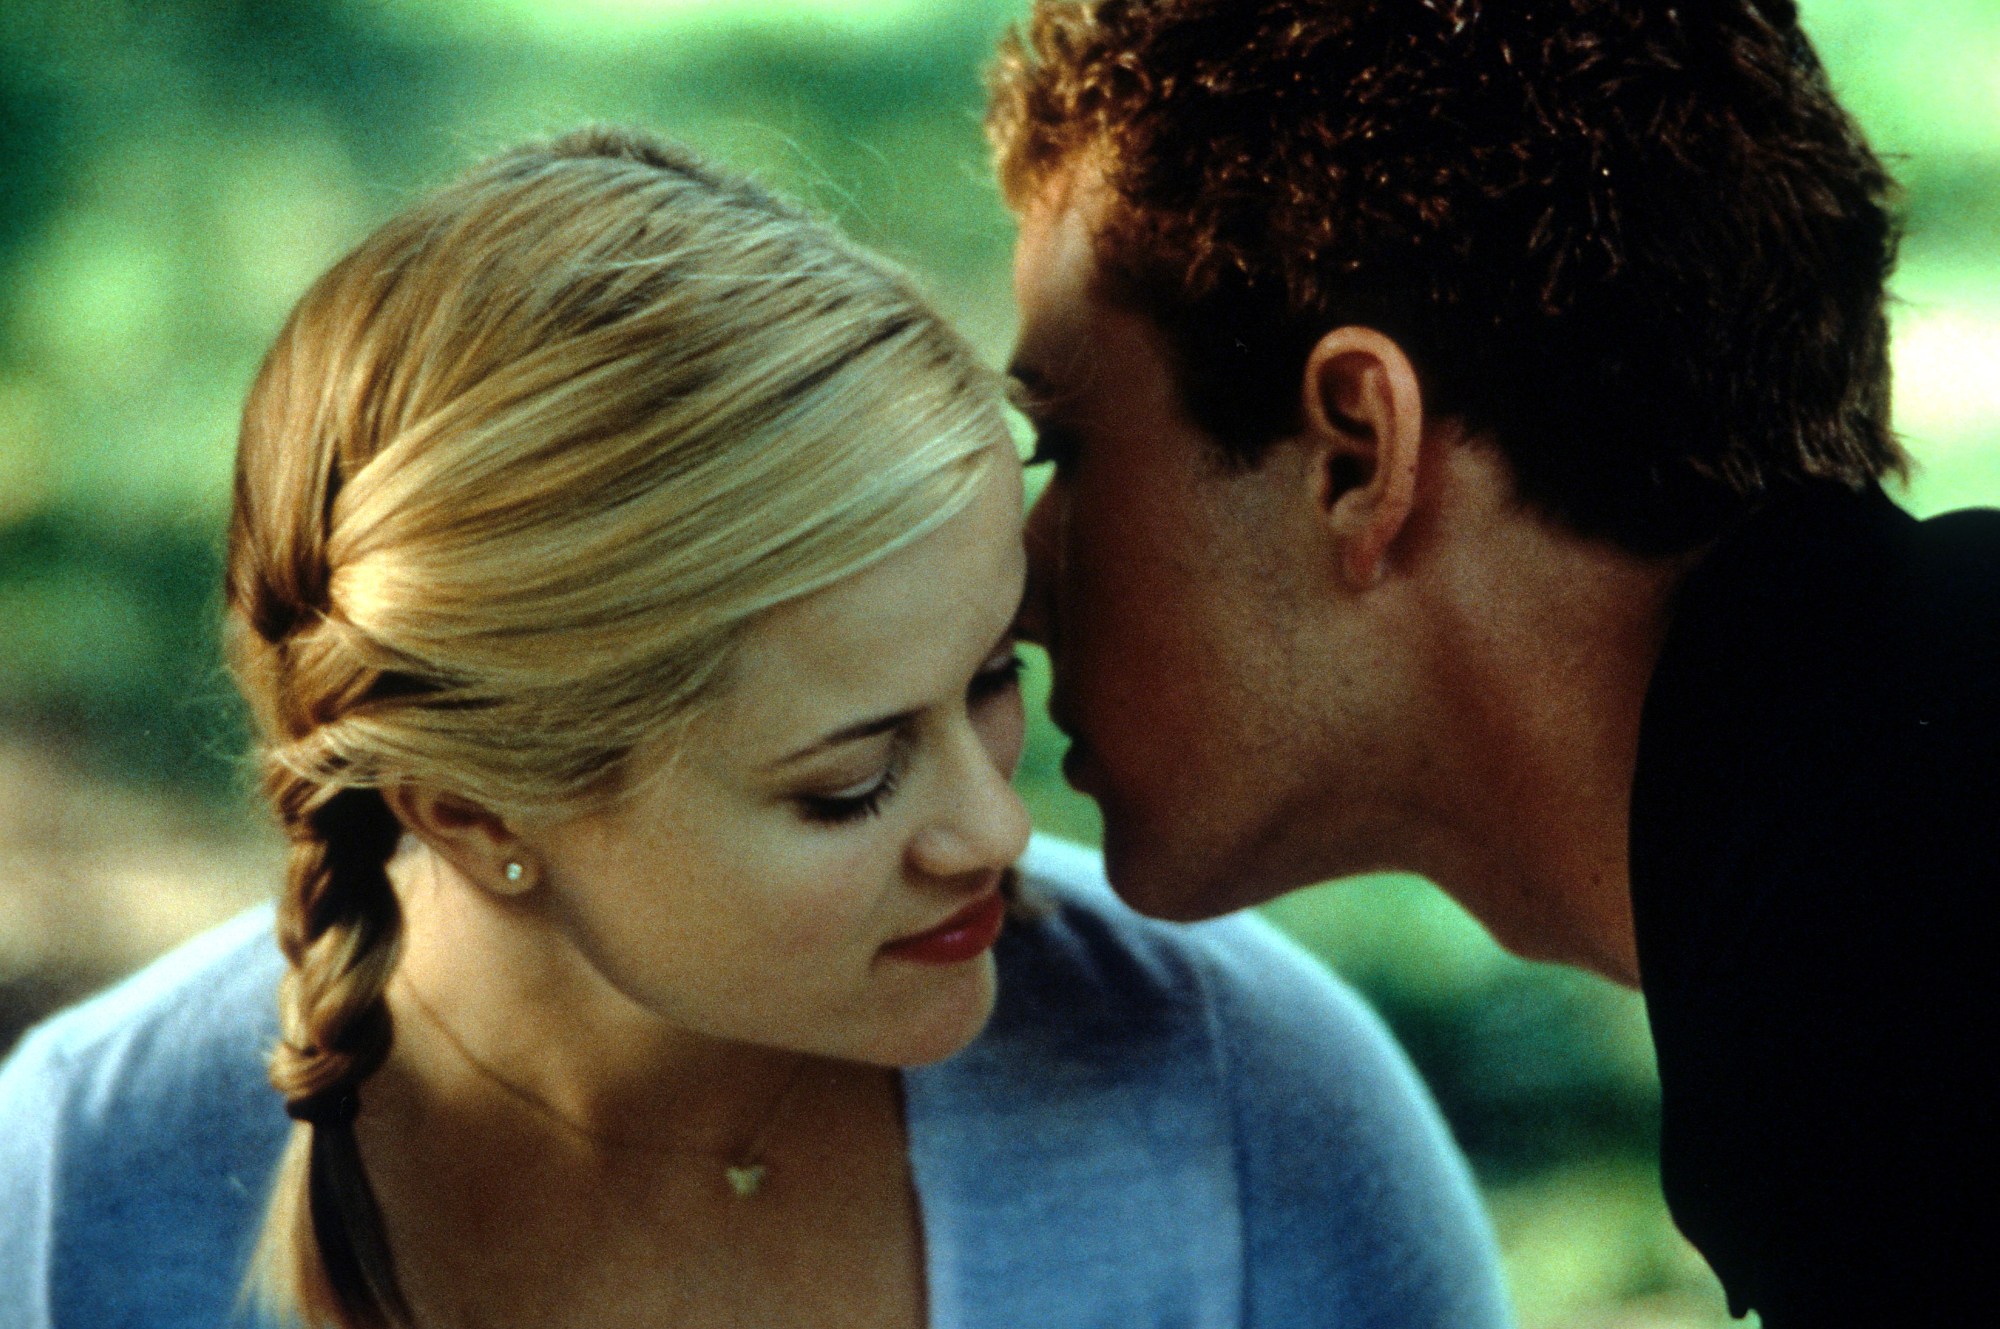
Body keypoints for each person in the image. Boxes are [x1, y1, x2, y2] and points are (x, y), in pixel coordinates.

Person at [0, 127, 1509, 1329]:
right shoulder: (74, 1196)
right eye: (848, 785)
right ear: (468, 808)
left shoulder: (1246, 1099)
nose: (996, 829)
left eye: (991, 679)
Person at [986, 2, 1998, 1324]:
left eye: (1064, 447)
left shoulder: (1887, 1011)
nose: (1013, 586)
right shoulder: (1866, 843)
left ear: (1356, 451)